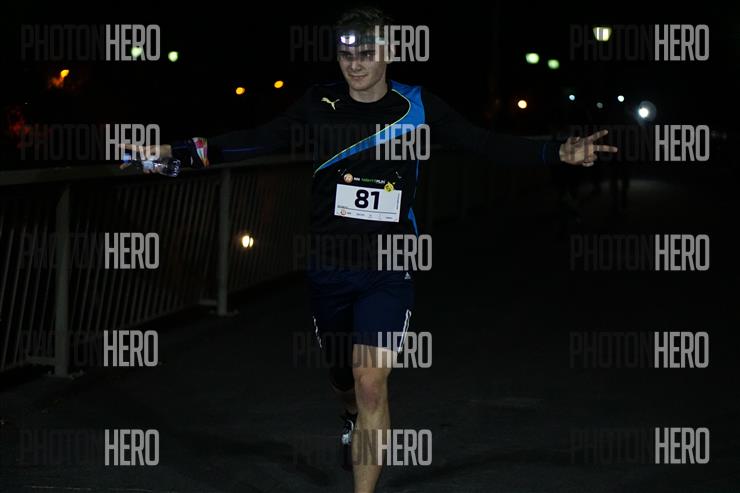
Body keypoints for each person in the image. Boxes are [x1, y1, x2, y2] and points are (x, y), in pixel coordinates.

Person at [125, 7, 617, 492]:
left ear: (389, 52)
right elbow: (254, 141)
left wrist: (556, 150)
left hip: (389, 267)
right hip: (329, 266)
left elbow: (485, 144)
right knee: (344, 379)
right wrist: (173, 152)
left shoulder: (418, 105)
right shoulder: (318, 103)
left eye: (366, 53)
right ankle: (348, 416)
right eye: (347, 55)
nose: (355, 64)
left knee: (371, 383)